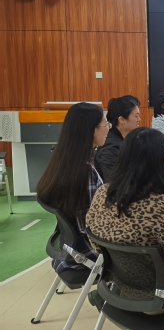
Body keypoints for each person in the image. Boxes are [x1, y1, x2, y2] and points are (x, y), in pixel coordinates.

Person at [87, 127, 164, 309]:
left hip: (121, 287)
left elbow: (95, 244)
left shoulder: (102, 195)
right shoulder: (160, 207)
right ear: (159, 161)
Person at [36, 102, 108, 274]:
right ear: (92, 130)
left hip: (67, 250)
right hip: (86, 254)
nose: (108, 129)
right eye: (106, 124)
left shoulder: (62, 162)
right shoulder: (86, 172)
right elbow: (91, 226)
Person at [94, 96, 140, 179]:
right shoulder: (110, 146)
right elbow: (113, 181)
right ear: (121, 119)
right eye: (136, 116)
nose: (139, 119)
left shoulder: (126, 140)